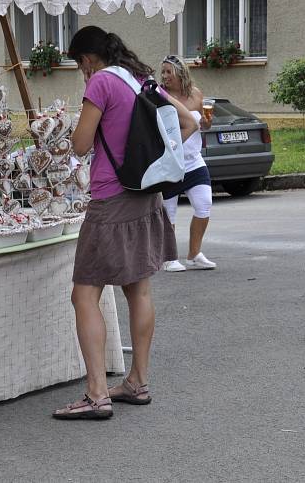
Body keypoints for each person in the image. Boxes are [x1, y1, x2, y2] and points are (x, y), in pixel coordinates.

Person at [52, 26, 198, 420]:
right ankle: (137, 382)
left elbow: (81, 145)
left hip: (110, 200)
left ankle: (97, 394)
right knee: (139, 290)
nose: (81, 71)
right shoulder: (140, 79)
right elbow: (189, 122)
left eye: (78, 64)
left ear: (86, 59)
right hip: (145, 195)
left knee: (84, 294)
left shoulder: (100, 83)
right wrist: (148, 159)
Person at [159, 55, 217, 271]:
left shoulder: (195, 94)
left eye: (168, 72)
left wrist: (207, 123)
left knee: (204, 205)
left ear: (180, 73)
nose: (164, 76)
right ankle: (169, 258)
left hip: (194, 161)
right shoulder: (160, 96)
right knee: (169, 213)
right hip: (171, 163)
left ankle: (194, 254)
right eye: (162, 72)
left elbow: (203, 126)